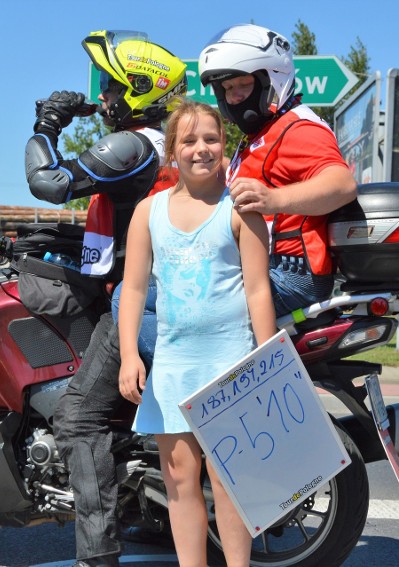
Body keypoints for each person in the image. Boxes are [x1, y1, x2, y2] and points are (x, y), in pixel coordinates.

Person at [25, 30, 187, 567]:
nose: (106, 97)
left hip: (141, 299)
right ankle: (149, 516)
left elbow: (48, 183)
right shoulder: (162, 144)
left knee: (77, 418)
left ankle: (98, 557)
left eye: (115, 86)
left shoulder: (132, 145)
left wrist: (46, 125)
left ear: (140, 92)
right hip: (156, 289)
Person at [117, 99, 276, 567]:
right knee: (180, 482)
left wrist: (267, 359)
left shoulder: (241, 210)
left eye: (211, 139)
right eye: (188, 141)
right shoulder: (149, 212)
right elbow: (132, 289)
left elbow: (258, 290)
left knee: (230, 484)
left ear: (225, 147)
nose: (201, 149)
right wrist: (131, 354)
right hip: (173, 370)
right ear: (171, 152)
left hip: (231, 367)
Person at [198, 24, 358, 316]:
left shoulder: (298, 127)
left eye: (242, 85)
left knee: (139, 299)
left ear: (271, 79)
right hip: (264, 268)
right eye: (226, 89)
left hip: (291, 275)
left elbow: (342, 183)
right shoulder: (261, 135)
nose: (233, 97)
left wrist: (273, 200)